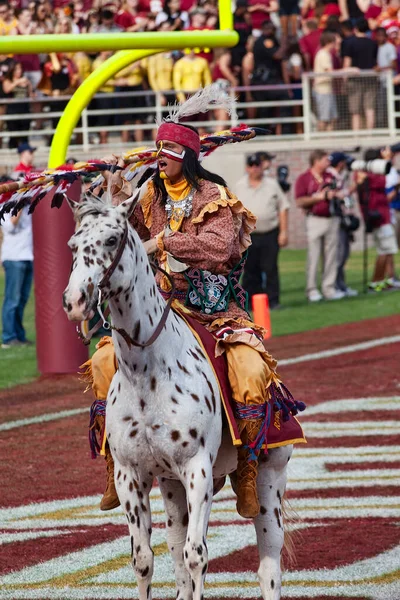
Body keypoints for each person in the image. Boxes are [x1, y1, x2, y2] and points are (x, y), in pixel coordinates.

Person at [83, 86, 304, 520]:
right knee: (103, 361)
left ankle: (246, 467)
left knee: (251, 369)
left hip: (214, 309)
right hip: (160, 309)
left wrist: (166, 239)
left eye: (168, 149)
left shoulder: (216, 198)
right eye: (158, 149)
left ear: (186, 154)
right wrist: (115, 196)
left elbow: (220, 249)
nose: (160, 156)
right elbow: (120, 238)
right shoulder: (147, 197)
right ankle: (115, 463)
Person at [235, 152, 290, 309]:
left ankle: (273, 301)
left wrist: (284, 232)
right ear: (247, 168)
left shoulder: (272, 184)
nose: (254, 169)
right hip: (248, 235)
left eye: (257, 165)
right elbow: (234, 211)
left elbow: (283, 207)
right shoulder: (239, 185)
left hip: (269, 233)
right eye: (251, 166)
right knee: (250, 269)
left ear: (261, 166)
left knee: (270, 268)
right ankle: (251, 302)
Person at [295, 149, 344, 302]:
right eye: (325, 160)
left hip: (332, 218)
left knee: (331, 256)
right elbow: (300, 201)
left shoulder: (330, 176)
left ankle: (329, 288)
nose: (328, 163)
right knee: (314, 255)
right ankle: (312, 289)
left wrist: (335, 195)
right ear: (316, 161)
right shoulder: (304, 178)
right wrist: (319, 198)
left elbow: (341, 192)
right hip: (315, 219)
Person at [356, 148, 400, 290]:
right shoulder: (370, 176)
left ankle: (382, 281)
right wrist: (387, 162)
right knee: (385, 249)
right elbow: (384, 181)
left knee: (387, 249)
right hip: (379, 218)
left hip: (382, 216)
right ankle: (375, 282)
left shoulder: (367, 176)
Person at [1, 194, 34, 349]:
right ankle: (8, 337)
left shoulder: (28, 206)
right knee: (12, 300)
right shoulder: (4, 206)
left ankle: (19, 336)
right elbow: (11, 226)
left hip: (28, 256)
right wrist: (19, 207)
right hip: (13, 258)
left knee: (22, 301)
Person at [327, 152, 359, 296]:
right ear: (340, 163)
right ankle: (336, 286)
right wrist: (355, 185)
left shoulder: (340, 175)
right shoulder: (331, 176)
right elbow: (338, 195)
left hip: (344, 218)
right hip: (337, 219)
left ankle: (341, 285)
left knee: (344, 253)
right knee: (339, 255)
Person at [342, 17, 378, 131]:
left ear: (356, 28)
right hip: (371, 78)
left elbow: (346, 64)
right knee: (370, 109)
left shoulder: (350, 43)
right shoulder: (373, 43)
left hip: (354, 80)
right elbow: (375, 62)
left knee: (355, 111)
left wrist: (344, 81)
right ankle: (370, 136)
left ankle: (356, 137)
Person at [313, 31, 338, 132]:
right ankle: (320, 140)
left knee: (333, 117)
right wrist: (348, 71)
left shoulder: (326, 54)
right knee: (324, 118)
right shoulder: (323, 54)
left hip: (328, 90)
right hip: (322, 90)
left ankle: (329, 138)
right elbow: (330, 72)